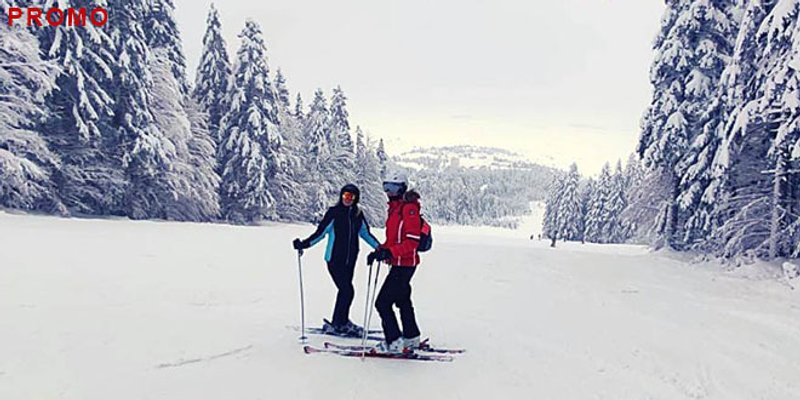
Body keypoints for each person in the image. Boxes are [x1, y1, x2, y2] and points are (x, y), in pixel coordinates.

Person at [293, 184, 380, 337]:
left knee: (345, 291)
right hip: (334, 259)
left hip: (351, 260)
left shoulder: (357, 214)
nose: (347, 199)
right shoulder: (334, 213)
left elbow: (366, 234)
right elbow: (320, 233)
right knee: (347, 290)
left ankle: (340, 321)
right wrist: (304, 244)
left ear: (355, 199)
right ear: (341, 196)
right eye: (345, 195)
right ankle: (340, 323)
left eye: (351, 197)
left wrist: (380, 248)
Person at [367, 171, 423, 353]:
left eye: (393, 188)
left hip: (405, 265)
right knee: (402, 300)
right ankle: (411, 337)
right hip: (398, 263)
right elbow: (393, 239)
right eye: (386, 187)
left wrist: (390, 252)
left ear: (402, 188)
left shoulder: (409, 209)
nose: (389, 192)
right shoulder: (394, 209)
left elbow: (412, 241)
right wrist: (379, 251)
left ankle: (394, 341)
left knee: (382, 303)